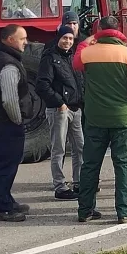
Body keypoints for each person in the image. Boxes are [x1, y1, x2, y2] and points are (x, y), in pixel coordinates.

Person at [73, 16, 127, 224]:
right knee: (123, 164)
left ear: (99, 30)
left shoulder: (88, 53)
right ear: (118, 31)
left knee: (90, 164)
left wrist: (90, 39)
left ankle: (85, 210)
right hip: (123, 118)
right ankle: (124, 211)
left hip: (95, 118)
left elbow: (76, 60)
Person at [0, 24, 36, 222]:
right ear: (10, 40)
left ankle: (7, 200)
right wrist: (17, 120)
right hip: (7, 123)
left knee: (4, 163)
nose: (26, 42)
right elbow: (10, 99)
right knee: (6, 164)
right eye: (22, 39)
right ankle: (4, 208)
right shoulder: (8, 64)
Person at [36, 25, 85, 201]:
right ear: (58, 38)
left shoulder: (73, 57)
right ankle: (60, 185)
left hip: (75, 109)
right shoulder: (50, 58)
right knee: (59, 149)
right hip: (59, 110)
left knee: (80, 147)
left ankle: (79, 182)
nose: (67, 42)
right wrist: (59, 102)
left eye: (71, 39)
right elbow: (42, 85)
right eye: (65, 38)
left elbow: (79, 81)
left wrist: (81, 101)